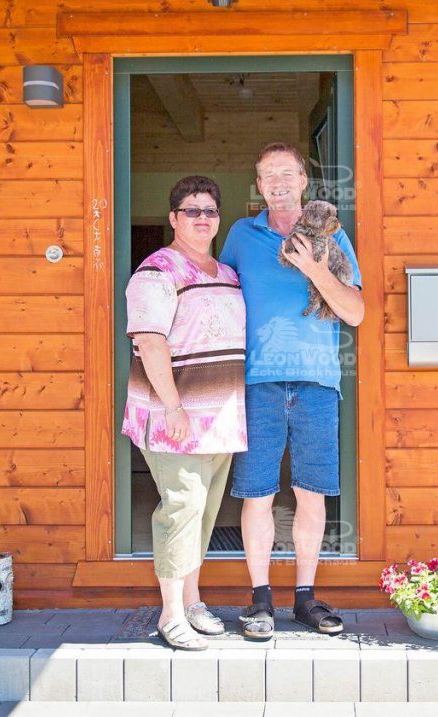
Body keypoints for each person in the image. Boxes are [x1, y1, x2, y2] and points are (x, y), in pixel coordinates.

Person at [219, 143, 364, 639]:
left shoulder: (331, 235)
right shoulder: (242, 235)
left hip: (316, 382)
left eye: (287, 172)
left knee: (311, 493)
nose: (278, 182)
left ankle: (305, 598)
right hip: (256, 381)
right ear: (259, 185)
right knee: (257, 494)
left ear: (303, 180)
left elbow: (356, 312)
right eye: (268, 175)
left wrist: (314, 268)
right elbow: (219, 299)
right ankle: (260, 600)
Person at [122, 175, 247, 650]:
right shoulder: (157, 271)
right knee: (182, 508)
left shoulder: (227, 273)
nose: (202, 218)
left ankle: (192, 601)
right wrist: (173, 407)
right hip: (174, 417)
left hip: (220, 418)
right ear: (174, 218)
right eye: (191, 210)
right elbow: (150, 341)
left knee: (204, 513)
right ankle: (171, 613)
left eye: (210, 210)